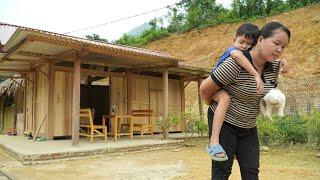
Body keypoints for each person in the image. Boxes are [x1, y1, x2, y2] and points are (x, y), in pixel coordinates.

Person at [200, 21, 291, 179]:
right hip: (225, 124)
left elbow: (266, 92)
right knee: (222, 171)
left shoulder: (275, 68)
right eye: (276, 43)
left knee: (251, 172)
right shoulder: (235, 63)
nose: (279, 50)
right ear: (261, 40)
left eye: (283, 47)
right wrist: (219, 101)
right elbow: (204, 89)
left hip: (249, 126)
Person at [203, 23, 262, 162]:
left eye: (249, 44)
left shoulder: (246, 54)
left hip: (220, 89)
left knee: (226, 99)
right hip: (214, 89)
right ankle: (213, 141)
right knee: (225, 99)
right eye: (241, 42)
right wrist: (255, 75)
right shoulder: (233, 51)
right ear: (233, 40)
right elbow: (239, 58)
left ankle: (232, 149)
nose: (244, 46)